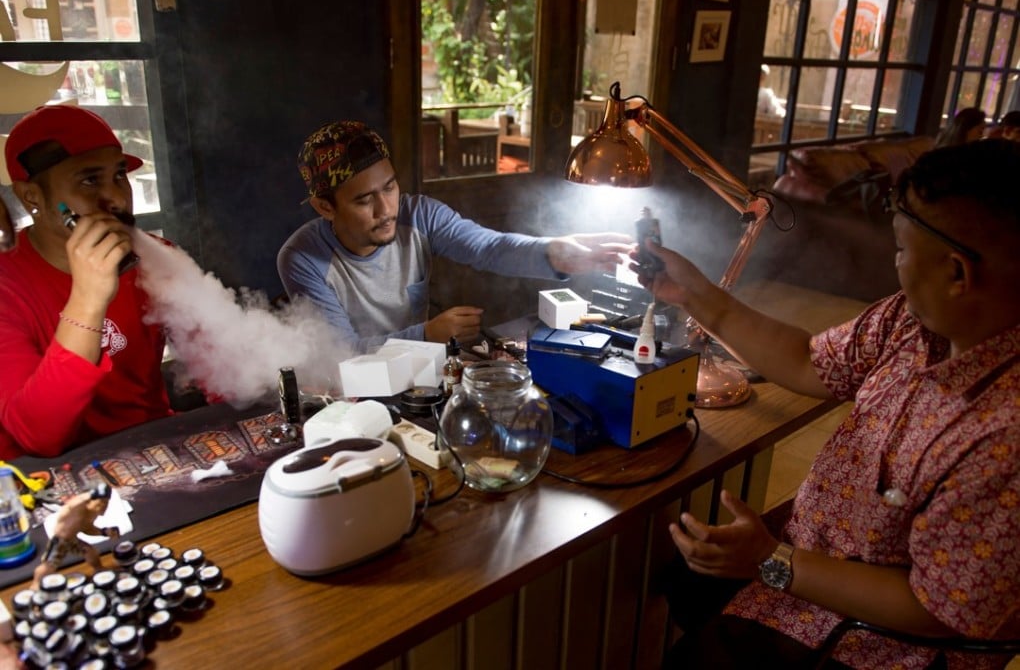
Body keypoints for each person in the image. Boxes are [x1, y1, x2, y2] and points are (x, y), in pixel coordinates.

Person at [639, 139, 1020, 669]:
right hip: (804, 569)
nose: (896, 265)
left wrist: (771, 562)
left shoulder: (1006, 434)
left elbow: (939, 610)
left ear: (957, 273)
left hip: (877, 646)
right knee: (679, 579)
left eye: (902, 250)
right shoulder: (910, 323)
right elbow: (804, 360)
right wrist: (696, 293)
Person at [277, 120, 633, 353]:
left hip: (422, 377)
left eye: (389, 188)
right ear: (324, 207)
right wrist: (427, 334)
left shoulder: (420, 214)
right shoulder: (303, 257)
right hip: (354, 396)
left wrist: (554, 252)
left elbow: (488, 247)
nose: (386, 209)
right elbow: (345, 354)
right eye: (364, 199)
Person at [0, 105, 172, 458]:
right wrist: (88, 300)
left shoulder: (157, 258)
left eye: (120, 175)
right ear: (31, 196)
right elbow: (39, 436)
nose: (118, 198)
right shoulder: (7, 284)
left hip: (153, 449)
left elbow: (221, 363)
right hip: (50, 482)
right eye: (90, 180)